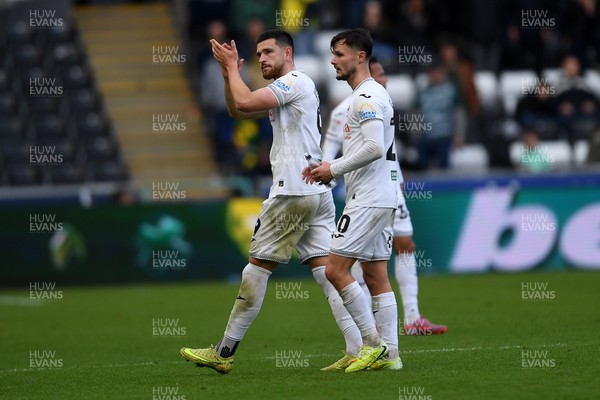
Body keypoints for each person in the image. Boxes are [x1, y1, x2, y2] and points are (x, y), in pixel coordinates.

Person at [180, 30, 362, 374]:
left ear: (288, 53)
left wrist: (234, 68)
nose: (262, 58)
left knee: (256, 270)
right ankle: (359, 346)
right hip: (316, 192)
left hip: (292, 192)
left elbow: (245, 102)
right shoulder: (292, 86)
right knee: (328, 273)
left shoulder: (294, 82)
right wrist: (227, 74)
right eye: (258, 54)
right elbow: (237, 110)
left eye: (268, 52)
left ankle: (225, 351)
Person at [322, 57, 447, 348]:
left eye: (385, 75)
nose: (385, 80)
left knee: (405, 245)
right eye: (379, 75)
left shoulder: (382, 100)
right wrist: (328, 178)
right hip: (363, 191)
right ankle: (373, 328)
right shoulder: (347, 108)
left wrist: (399, 176)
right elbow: (328, 151)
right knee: (359, 261)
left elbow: (385, 148)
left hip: (388, 188)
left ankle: (411, 318)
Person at [304, 29, 401, 372]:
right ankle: (391, 358)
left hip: (370, 198)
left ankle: (371, 345)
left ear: (361, 57)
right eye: (332, 54)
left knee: (334, 269)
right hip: (377, 195)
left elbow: (374, 147)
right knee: (375, 276)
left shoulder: (367, 97)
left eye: (340, 54)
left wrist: (333, 169)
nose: (333, 60)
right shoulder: (366, 95)